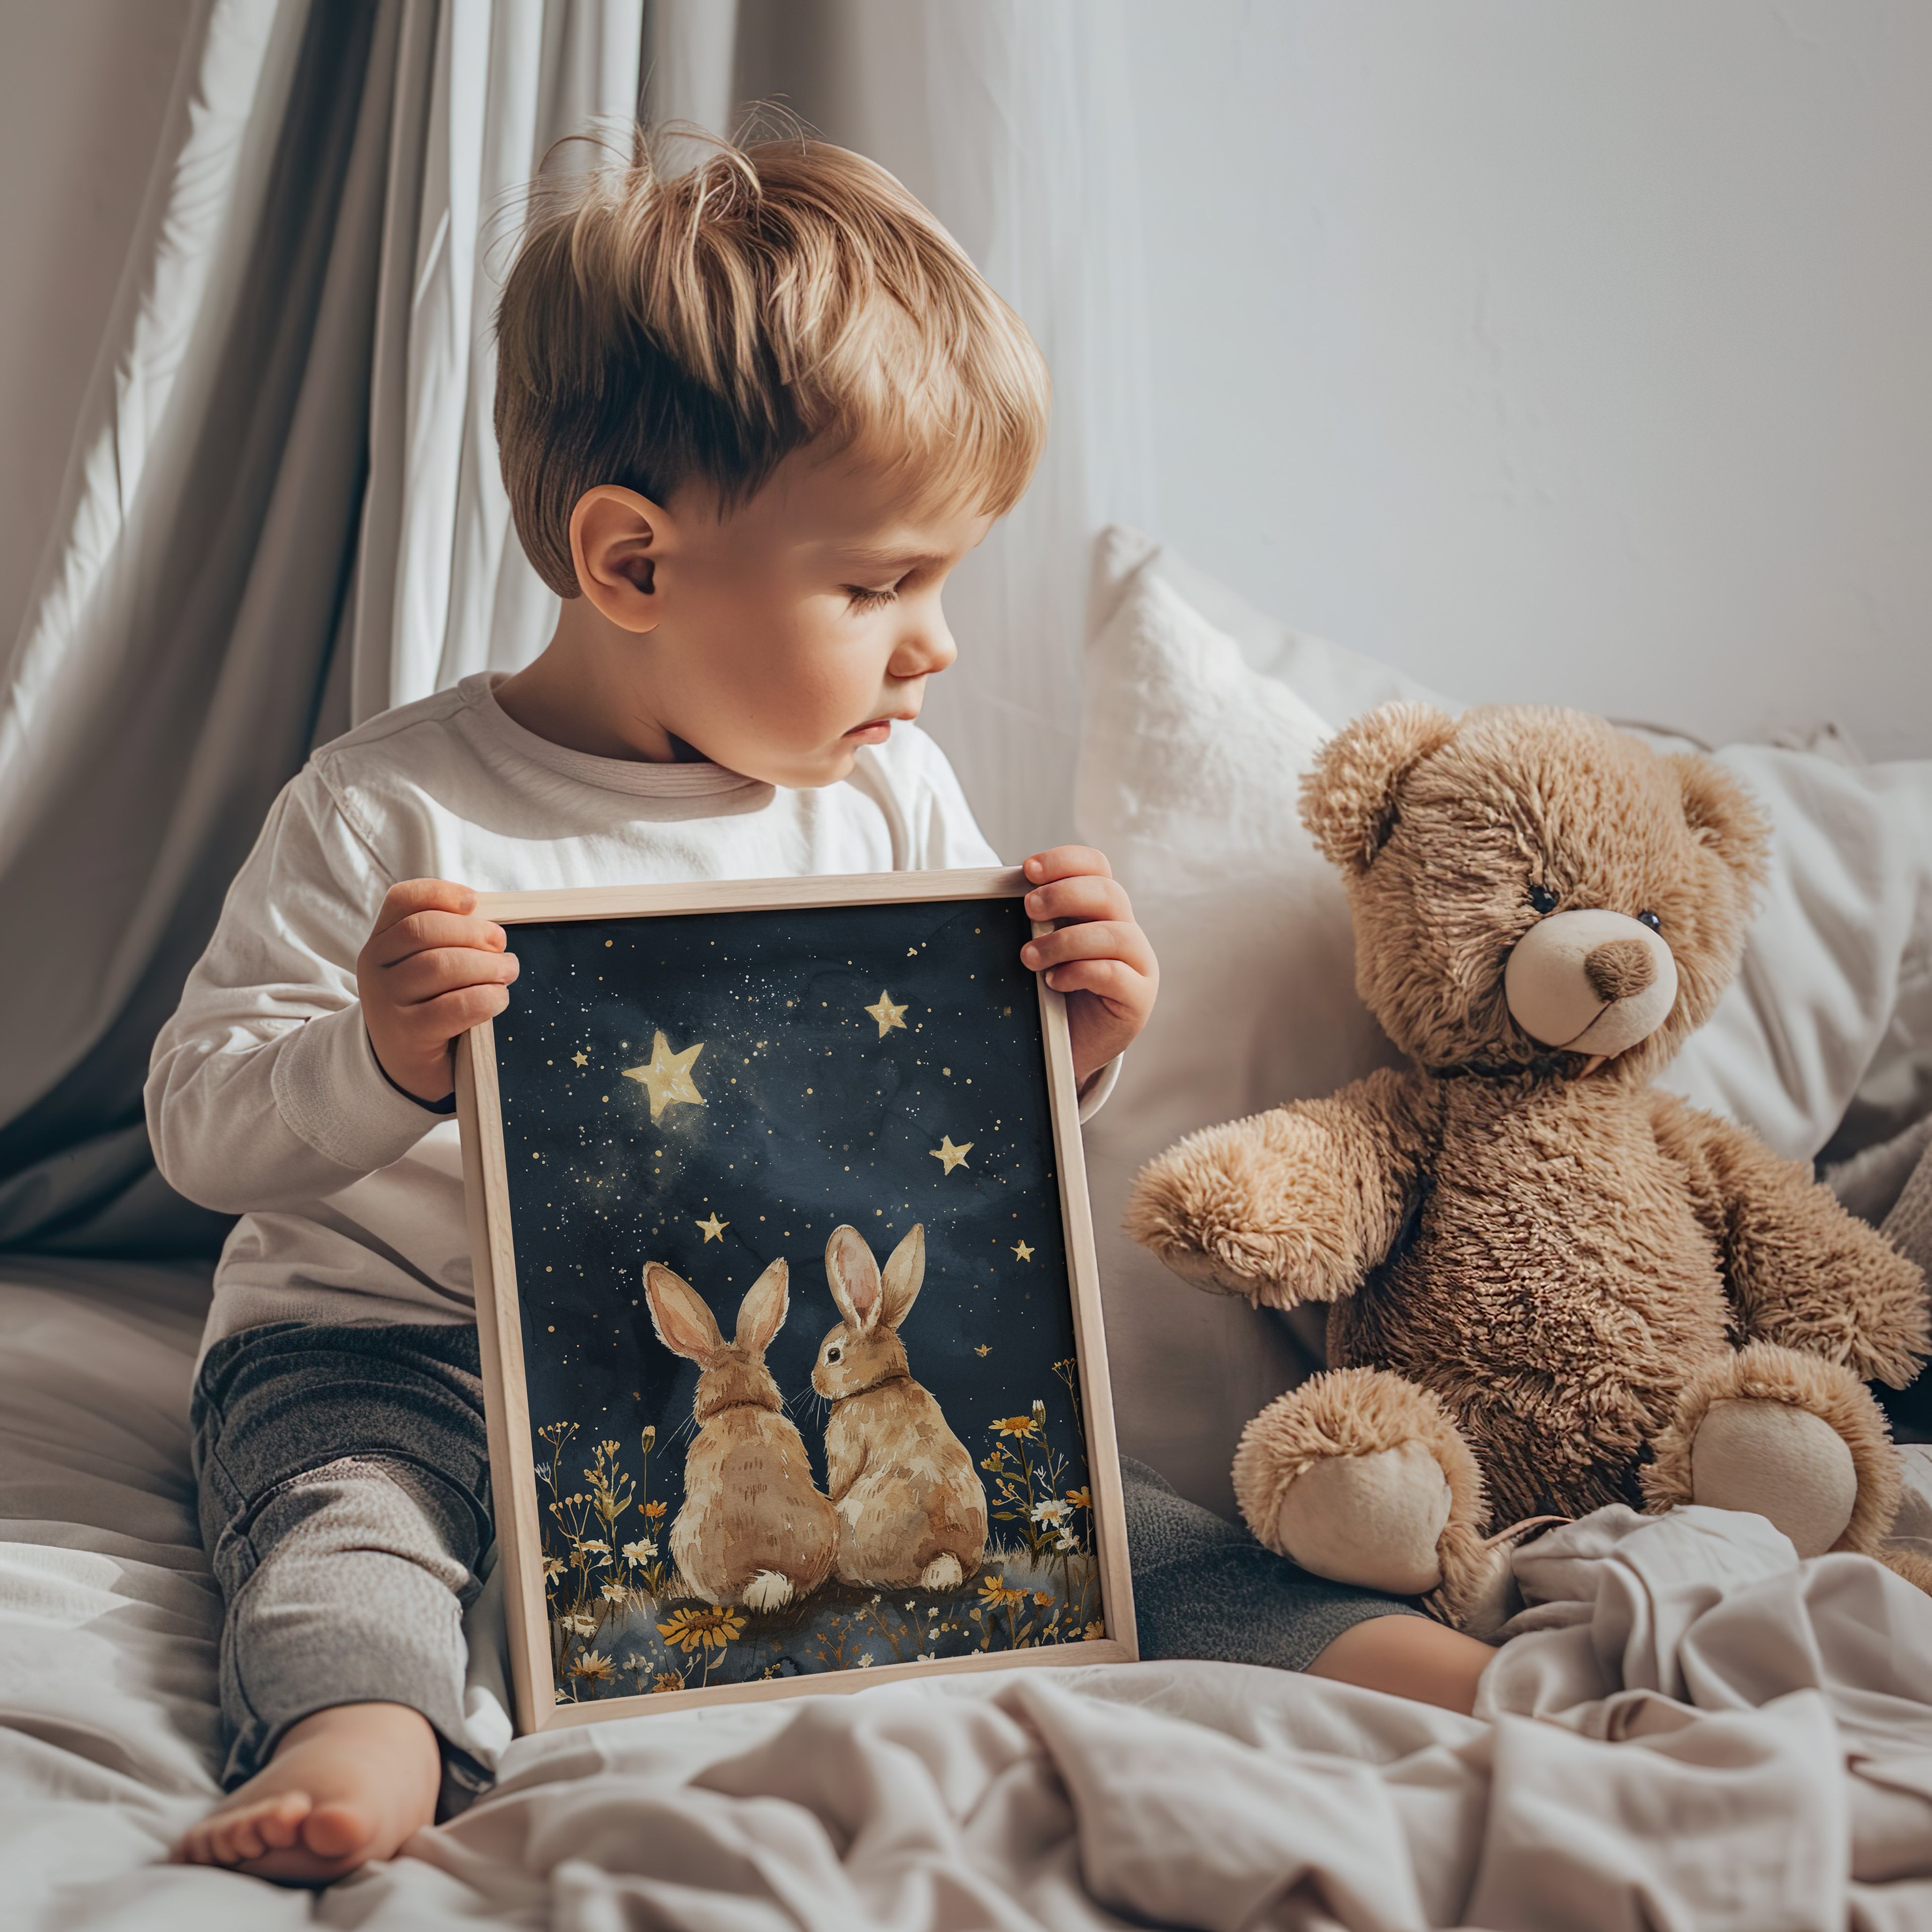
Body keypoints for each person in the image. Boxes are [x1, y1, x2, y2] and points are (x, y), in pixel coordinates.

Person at [147, 130, 1482, 1887]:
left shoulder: (887, 797)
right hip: (396, 1347)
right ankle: (361, 1736)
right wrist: (377, 1058)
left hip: (736, 1378)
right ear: (632, 565)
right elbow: (200, 1128)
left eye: (940, 581)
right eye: (875, 586)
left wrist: (1066, 1047)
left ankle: (1387, 1661)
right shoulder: (386, 812)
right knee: (349, 1530)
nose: (934, 645)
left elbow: (937, 1136)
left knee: (1090, 1512)